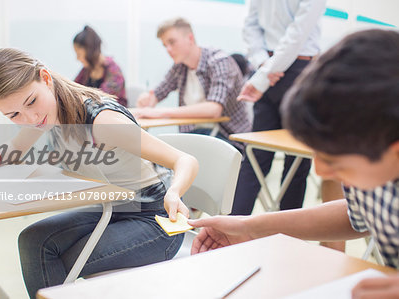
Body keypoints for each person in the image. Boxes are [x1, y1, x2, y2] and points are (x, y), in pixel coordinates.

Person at [0, 48, 198, 298]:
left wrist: (175, 192)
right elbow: (13, 149)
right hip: (112, 207)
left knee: (50, 259)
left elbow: (185, 160)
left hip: (156, 222)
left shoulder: (102, 123)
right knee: (31, 240)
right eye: (13, 115)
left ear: (45, 78)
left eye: (31, 102)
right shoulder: (46, 113)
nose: (30, 117)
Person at [189, 29, 399, 298]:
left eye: (335, 158)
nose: (321, 170)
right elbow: (356, 214)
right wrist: (249, 227)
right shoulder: (374, 164)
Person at [134, 17, 252, 207]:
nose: (168, 50)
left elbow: (214, 109)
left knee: (163, 156)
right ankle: (170, 209)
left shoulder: (219, 61)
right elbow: (158, 92)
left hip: (227, 137)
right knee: (155, 154)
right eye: (165, 45)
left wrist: (162, 112)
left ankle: (172, 209)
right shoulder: (180, 67)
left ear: (189, 38)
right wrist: (148, 100)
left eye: (172, 42)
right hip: (196, 135)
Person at [232, 0, 327, 215]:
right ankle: (283, 237)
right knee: (293, 161)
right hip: (296, 70)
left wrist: (265, 67)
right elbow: (298, 33)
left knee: (256, 158)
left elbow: (251, 26)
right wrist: (266, 70)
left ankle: (229, 231)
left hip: (269, 68)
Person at [73, 25, 128, 107]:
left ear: (89, 52)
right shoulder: (86, 70)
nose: (77, 58)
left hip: (113, 116)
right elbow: (73, 90)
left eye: (79, 54)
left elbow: (102, 100)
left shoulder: (114, 71)